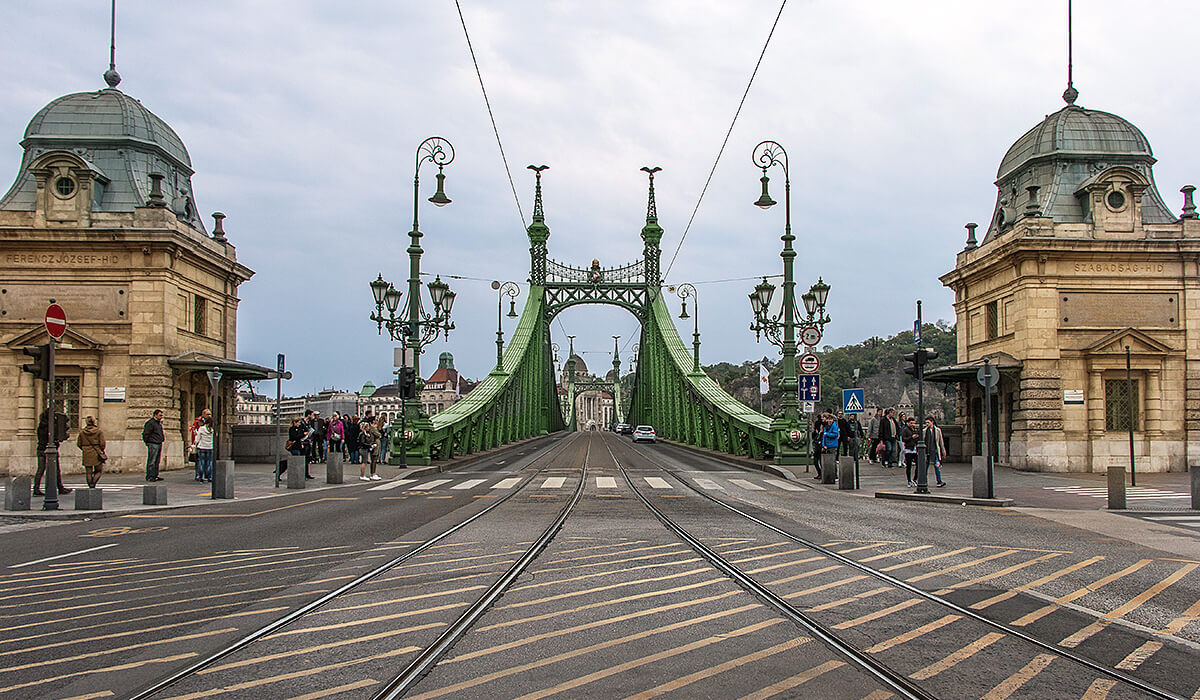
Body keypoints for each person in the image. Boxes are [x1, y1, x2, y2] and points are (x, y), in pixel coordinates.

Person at [33, 406, 71, 496]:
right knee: (56, 470)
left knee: (40, 470)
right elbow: (58, 436)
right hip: (50, 449)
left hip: (41, 449)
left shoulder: (41, 426)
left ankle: (36, 488)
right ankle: (60, 488)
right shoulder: (51, 426)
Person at [76, 416, 107, 488]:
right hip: (97, 452)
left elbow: (79, 444)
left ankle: (90, 485)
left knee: (88, 471)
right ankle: (94, 483)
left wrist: (84, 449)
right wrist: (101, 450)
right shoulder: (98, 431)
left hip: (86, 452)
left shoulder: (82, 432)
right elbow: (102, 443)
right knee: (99, 470)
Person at [142, 409, 165, 482]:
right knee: (152, 460)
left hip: (158, 442)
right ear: (155, 415)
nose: (161, 417)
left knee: (157, 461)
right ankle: (150, 476)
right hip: (153, 443)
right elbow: (146, 433)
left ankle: (155, 475)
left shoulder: (158, 423)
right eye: (160, 415)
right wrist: (148, 442)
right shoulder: (150, 423)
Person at [924, 417, 948, 487]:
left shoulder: (937, 430)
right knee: (925, 467)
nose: (927, 424)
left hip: (935, 451)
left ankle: (939, 481)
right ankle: (924, 481)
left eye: (928, 422)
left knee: (937, 466)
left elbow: (941, 442)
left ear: (932, 422)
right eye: (926, 423)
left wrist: (943, 451)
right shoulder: (924, 431)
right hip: (927, 451)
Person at [818, 413, 840, 481]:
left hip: (832, 445)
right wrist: (823, 445)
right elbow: (824, 437)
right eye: (828, 419)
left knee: (833, 461)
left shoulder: (834, 426)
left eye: (830, 419)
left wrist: (827, 434)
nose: (829, 421)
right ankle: (828, 475)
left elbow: (836, 434)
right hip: (827, 445)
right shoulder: (826, 427)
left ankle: (835, 475)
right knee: (826, 461)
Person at [192, 416, 214, 482]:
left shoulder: (201, 428)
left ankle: (200, 476)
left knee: (201, 462)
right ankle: (209, 477)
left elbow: (197, 439)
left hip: (201, 447)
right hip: (210, 447)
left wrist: (194, 444)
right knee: (210, 462)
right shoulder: (212, 430)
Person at [360, 413, 381, 481]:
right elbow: (378, 435)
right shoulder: (372, 428)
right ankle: (372, 474)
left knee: (373, 459)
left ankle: (372, 473)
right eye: (375, 420)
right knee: (374, 459)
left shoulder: (372, 428)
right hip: (374, 444)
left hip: (372, 444)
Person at [901, 416, 919, 487]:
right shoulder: (905, 430)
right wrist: (911, 437)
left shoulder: (915, 429)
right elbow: (903, 439)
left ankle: (915, 479)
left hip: (914, 449)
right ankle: (909, 480)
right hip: (908, 449)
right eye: (911, 423)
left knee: (918, 465)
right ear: (908, 423)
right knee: (909, 466)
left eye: (913, 423)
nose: (912, 425)